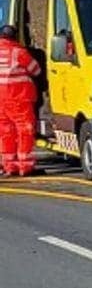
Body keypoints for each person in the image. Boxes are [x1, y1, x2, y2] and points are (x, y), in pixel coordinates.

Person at [0, 24, 40, 177]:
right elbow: (36, 70)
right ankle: (25, 166)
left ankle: (9, 166)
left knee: (5, 132)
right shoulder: (18, 52)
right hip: (19, 99)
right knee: (24, 131)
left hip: (1, 100)